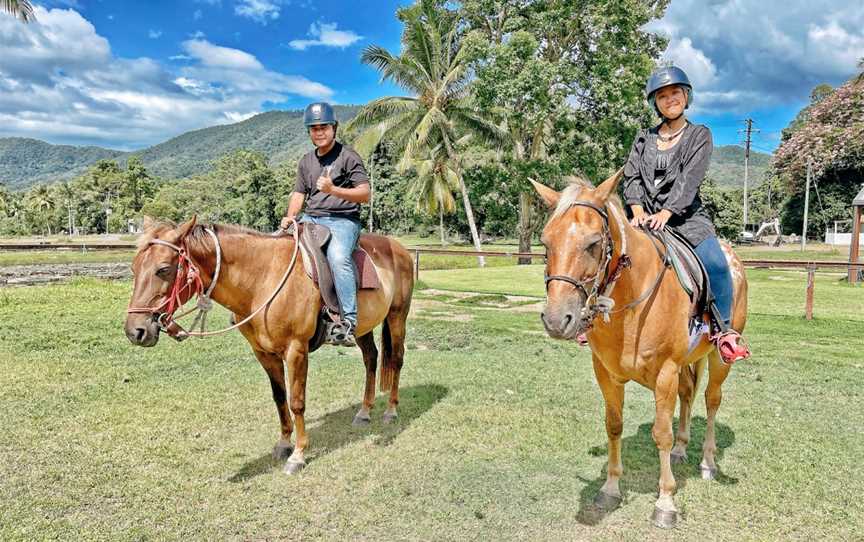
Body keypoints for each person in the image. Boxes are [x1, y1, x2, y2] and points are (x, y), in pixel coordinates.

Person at [622, 65, 751, 364]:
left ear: (686, 96)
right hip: (645, 219)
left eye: (675, 93)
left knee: (717, 264)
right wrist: (638, 210)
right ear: (655, 102)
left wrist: (667, 212)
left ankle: (724, 332)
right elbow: (632, 178)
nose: (670, 100)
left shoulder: (699, 135)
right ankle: (593, 320)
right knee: (612, 256)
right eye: (663, 96)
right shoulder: (643, 139)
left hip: (687, 219)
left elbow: (689, 179)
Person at [281, 102, 371, 346]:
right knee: (276, 247)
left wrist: (334, 189)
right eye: (314, 128)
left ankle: (348, 321)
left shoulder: (348, 156)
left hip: (343, 220)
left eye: (324, 127)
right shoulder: (306, 161)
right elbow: (299, 194)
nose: (319, 132)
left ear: (334, 127)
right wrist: (290, 216)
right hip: (311, 218)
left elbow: (365, 194)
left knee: (338, 257)